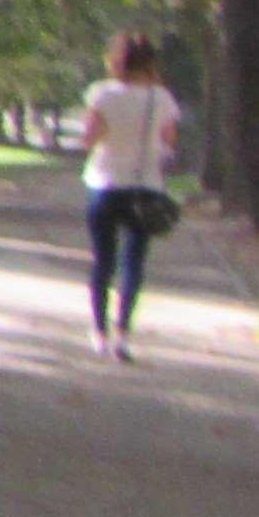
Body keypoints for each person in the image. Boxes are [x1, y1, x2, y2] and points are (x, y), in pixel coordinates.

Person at [76, 33, 186, 363]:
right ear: (151, 62)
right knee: (134, 262)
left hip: (106, 184)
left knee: (103, 260)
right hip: (146, 188)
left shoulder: (103, 94)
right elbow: (169, 141)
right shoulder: (162, 98)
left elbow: (88, 139)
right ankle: (123, 333)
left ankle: (99, 332)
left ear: (116, 60)